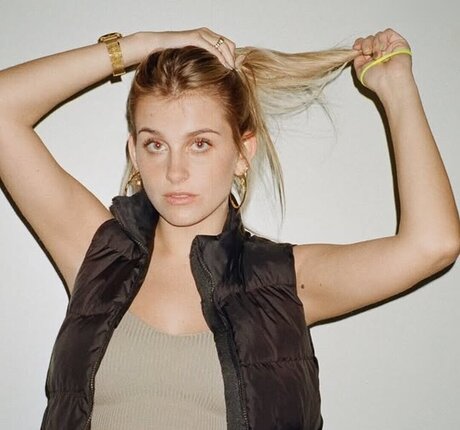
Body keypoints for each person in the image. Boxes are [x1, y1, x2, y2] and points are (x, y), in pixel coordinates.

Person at [0, 27, 458, 430]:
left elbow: (433, 243)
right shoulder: (98, 252)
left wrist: (396, 87)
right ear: (135, 154)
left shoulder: (285, 280)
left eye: (200, 143)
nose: (175, 171)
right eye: (156, 144)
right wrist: (142, 46)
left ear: (242, 153)